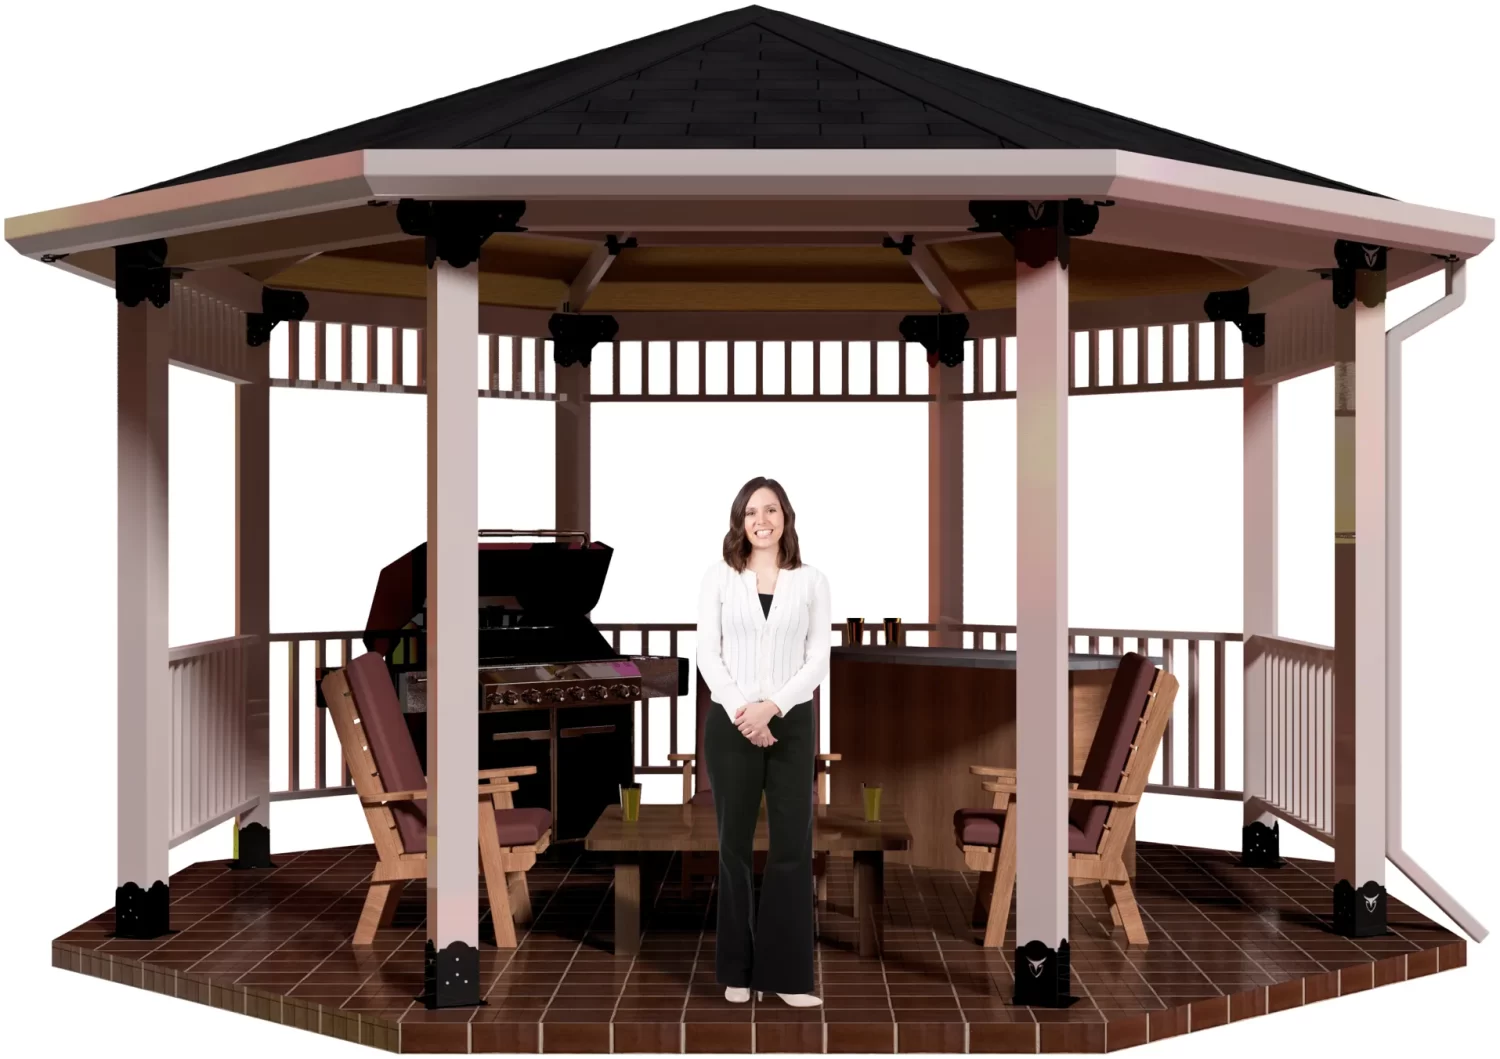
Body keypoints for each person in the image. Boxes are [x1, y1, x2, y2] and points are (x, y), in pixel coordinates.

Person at [696, 476, 831, 1008]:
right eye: (752, 511)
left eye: (771, 510)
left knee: (793, 848)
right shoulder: (720, 579)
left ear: (786, 518)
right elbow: (709, 653)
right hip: (730, 724)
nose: (762, 520)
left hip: (791, 722)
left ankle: (788, 975)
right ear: (740, 521)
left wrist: (771, 707)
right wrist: (742, 711)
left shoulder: (812, 582)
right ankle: (737, 969)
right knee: (733, 847)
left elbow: (817, 659)